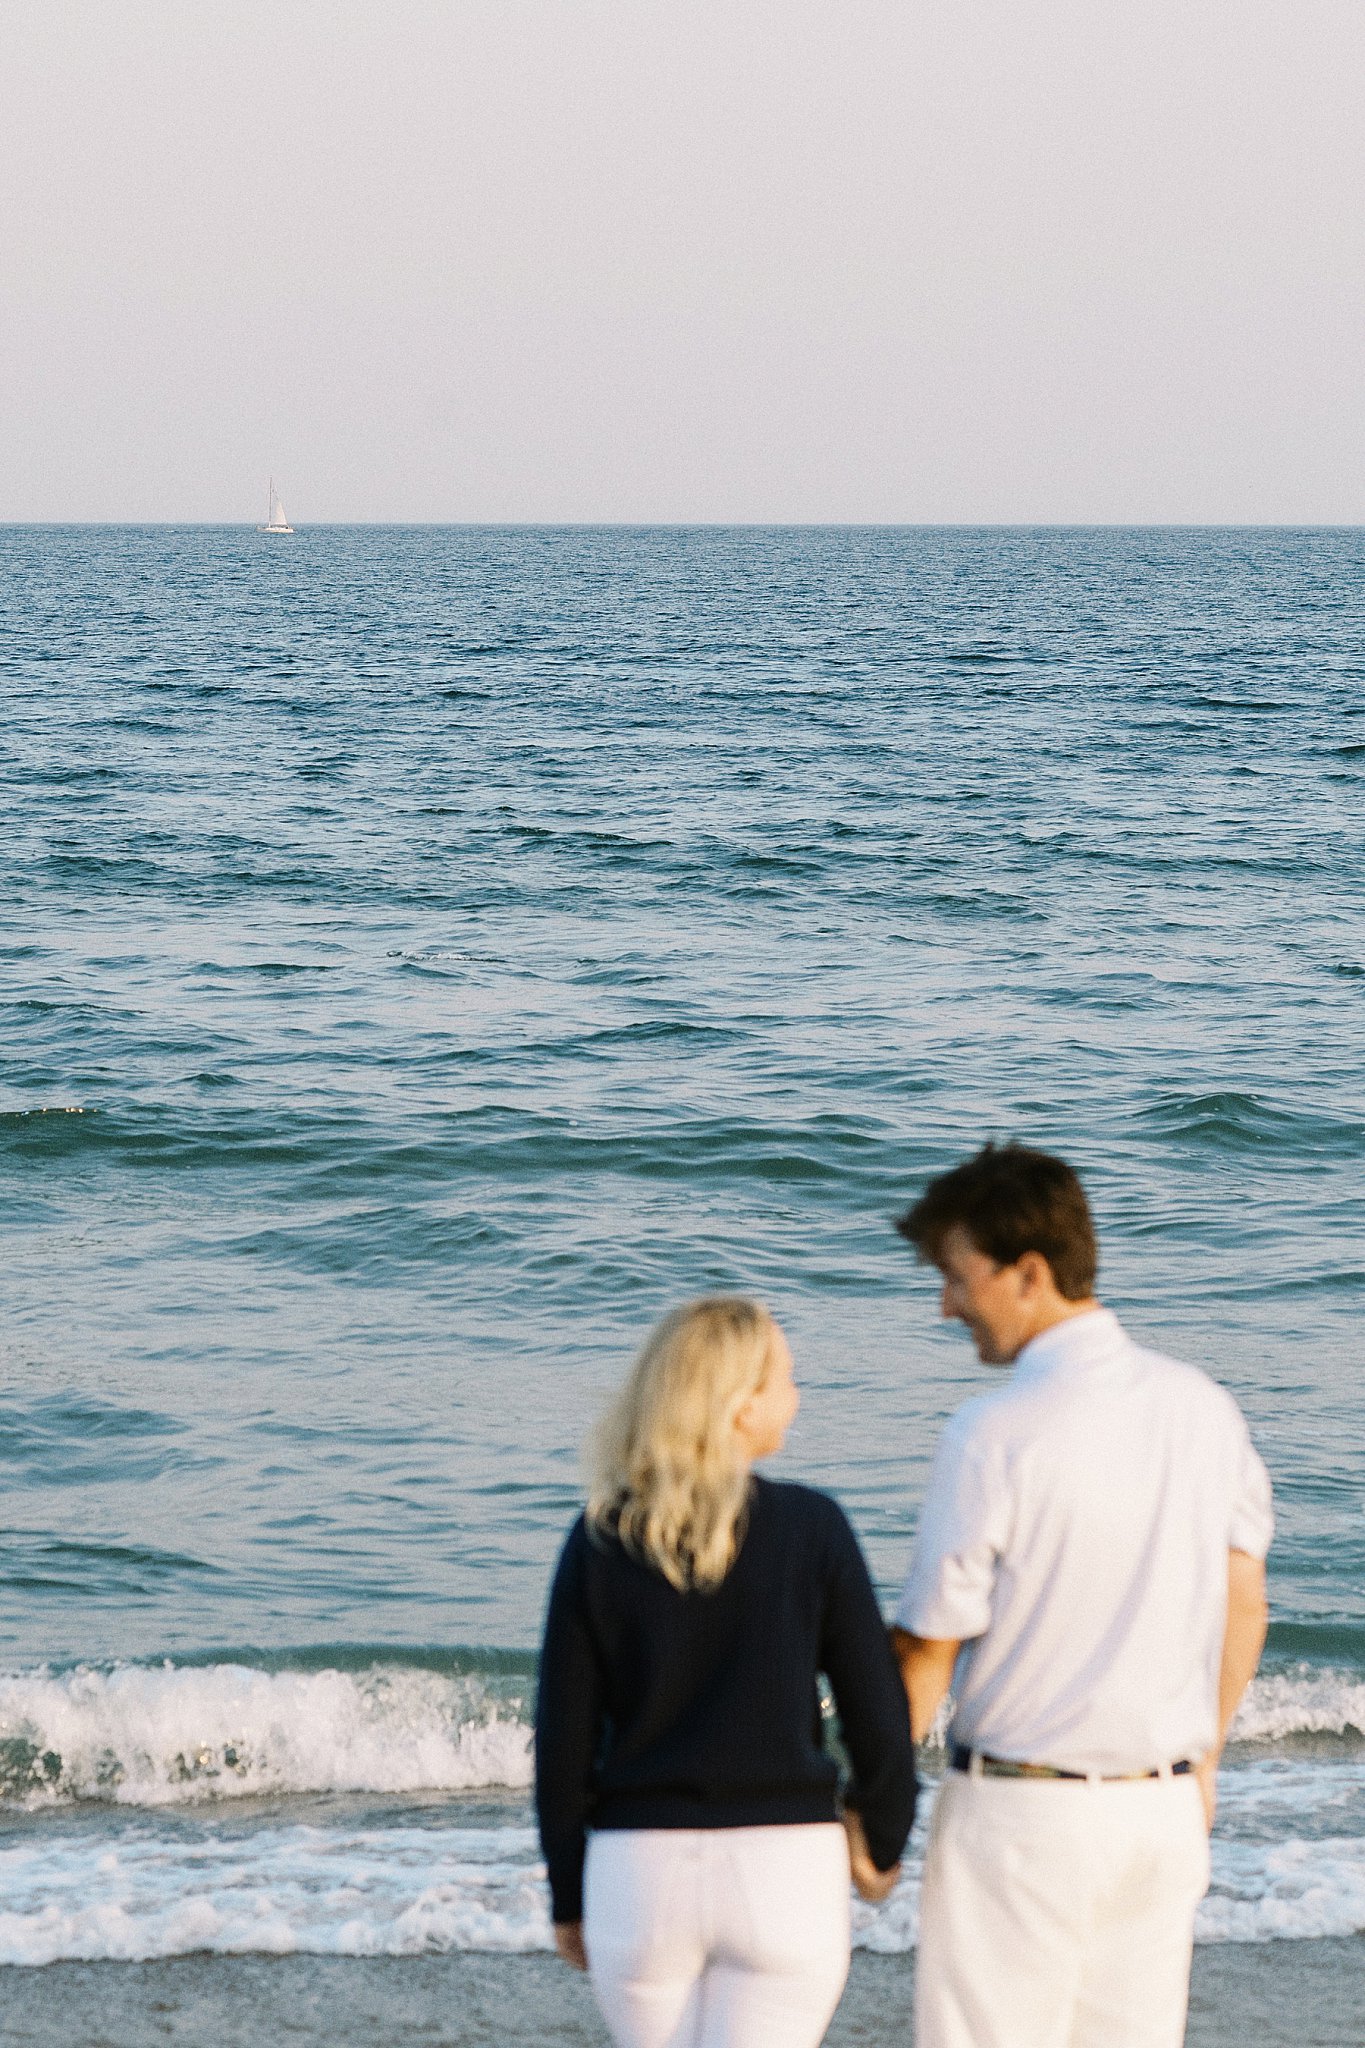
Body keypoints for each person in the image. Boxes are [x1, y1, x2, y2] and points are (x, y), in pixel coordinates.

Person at [890, 1143, 1273, 2048]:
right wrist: (1204, 1758)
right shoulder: (1200, 1407)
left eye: (955, 1275)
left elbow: (928, 1649)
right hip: (1161, 1811)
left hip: (1022, 1816)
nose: (945, 1303)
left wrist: (869, 1807)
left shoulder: (993, 1431)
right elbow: (1242, 1600)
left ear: (1028, 1274)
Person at [535, 1295, 918, 2048]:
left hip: (638, 1872)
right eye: (784, 1379)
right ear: (739, 1405)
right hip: (785, 1871)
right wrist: (881, 1837)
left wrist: (568, 1890)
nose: (796, 1397)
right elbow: (877, 1715)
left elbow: (562, 1741)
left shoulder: (599, 1539)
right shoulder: (813, 1528)